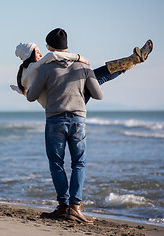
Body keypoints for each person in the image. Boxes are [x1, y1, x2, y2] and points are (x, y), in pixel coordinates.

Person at [24, 28, 152, 224]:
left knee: (57, 164)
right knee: (79, 163)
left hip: (55, 120)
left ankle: (63, 206)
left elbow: (31, 96)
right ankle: (75, 207)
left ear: (50, 47)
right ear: (65, 46)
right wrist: (81, 88)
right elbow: (99, 95)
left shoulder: (42, 68)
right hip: (77, 120)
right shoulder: (82, 66)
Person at [12, 39, 153, 108]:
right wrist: (79, 57)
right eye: (37, 52)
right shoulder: (35, 67)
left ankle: (131, 61)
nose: (41, 54)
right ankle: (132, 61)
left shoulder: (24, 73)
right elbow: (52, 56)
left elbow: (26, 90)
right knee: (95, 76)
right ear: (29, 55)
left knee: (94, 76)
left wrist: (19, 90)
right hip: (65, 104)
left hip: (60, 103)